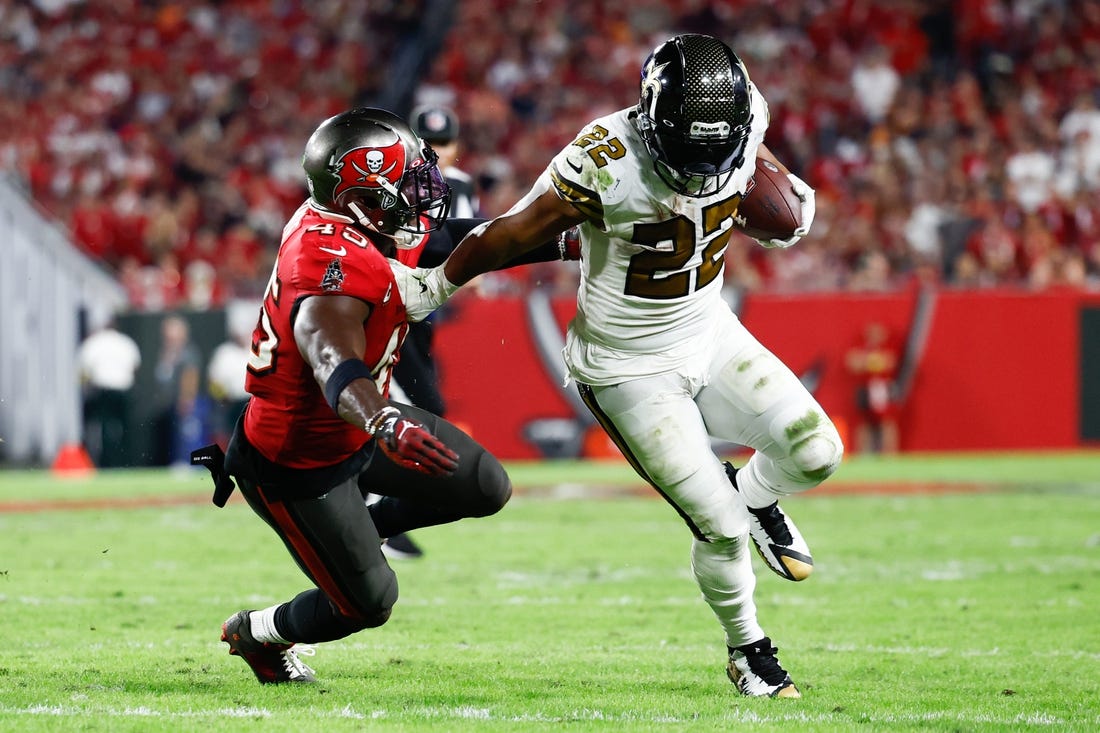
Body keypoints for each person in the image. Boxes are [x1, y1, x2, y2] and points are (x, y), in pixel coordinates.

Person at [395, 34, 843, 698]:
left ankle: (755, 495)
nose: (700, 172)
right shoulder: (603, 158)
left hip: (708, 330)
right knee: (717, 527)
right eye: (689, 156)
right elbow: (511, 231)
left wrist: (780, 196)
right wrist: (430, 288)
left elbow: (773, 191)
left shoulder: (745, 119)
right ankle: (749, 649)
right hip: (626, 366)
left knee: (819, 451)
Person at [194, 107, 572, 685]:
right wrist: (386, 423)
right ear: (361, 198)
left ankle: (356, 530)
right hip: (298, 457)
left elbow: (454, 239)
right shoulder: (324, 263)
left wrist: (563, 239)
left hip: (362, 425)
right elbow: (332, 360)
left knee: (483, 485)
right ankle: (258, 633)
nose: (425, 188)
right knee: (368, 602)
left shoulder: (358, 220)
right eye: (407, 181)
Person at [367, 106, 480, 561]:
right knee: (419, 409)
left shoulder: (461, 187)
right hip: (393, 303)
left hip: (422, 309)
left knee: (413, 406)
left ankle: (373, 511)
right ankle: (379, 517)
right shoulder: (392, 181)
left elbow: (463, 240)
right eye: (427, 141)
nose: (435, 151)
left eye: (443, 141)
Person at [77, 315, 142, 467]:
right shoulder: (125, 342)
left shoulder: (94, 342)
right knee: (125, 428)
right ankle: (126, 462)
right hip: (124, 389)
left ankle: (107, 463)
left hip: (103, 390)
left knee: (105, 427)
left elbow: (83, 371)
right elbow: (135, 366)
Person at [845, 321, 901, 453]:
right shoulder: (862, 346)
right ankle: (863, 453)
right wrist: (873, 361)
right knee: (865, 422)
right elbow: (852, 362)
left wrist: (868, 362)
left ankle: (890, 454)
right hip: (866, 387)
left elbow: (890, 362)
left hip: (882, 387)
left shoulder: (889, 346)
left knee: (887, 421)